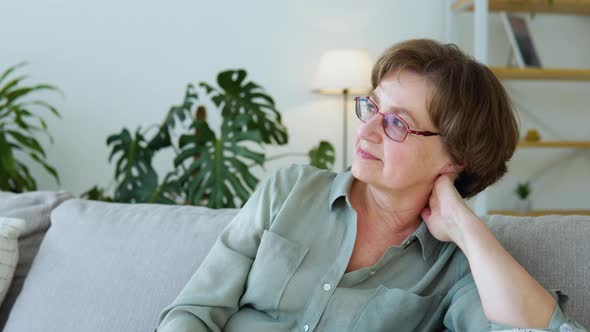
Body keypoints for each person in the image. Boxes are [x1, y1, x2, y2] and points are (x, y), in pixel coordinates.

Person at [156, 39, 586, 332]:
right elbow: (195, 311)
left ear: (456, 158)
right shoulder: (289, 190)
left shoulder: (455, 267)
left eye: (399, 122)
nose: (368, 130)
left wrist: (467, 229)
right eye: (373, 107)